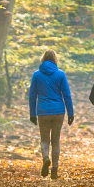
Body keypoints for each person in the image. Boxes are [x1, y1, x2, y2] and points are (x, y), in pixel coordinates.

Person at [28, 49, 74, 179]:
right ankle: (54, 169)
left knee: (44, 139)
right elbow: (67, 95)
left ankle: (45, 158)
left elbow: (32, 95)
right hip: (58, 111)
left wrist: (32, 113)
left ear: (43, 59)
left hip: (43, 111)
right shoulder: (60, 74)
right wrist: (71, 113)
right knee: (56, 141)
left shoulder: (37, 75)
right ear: (55, 59)